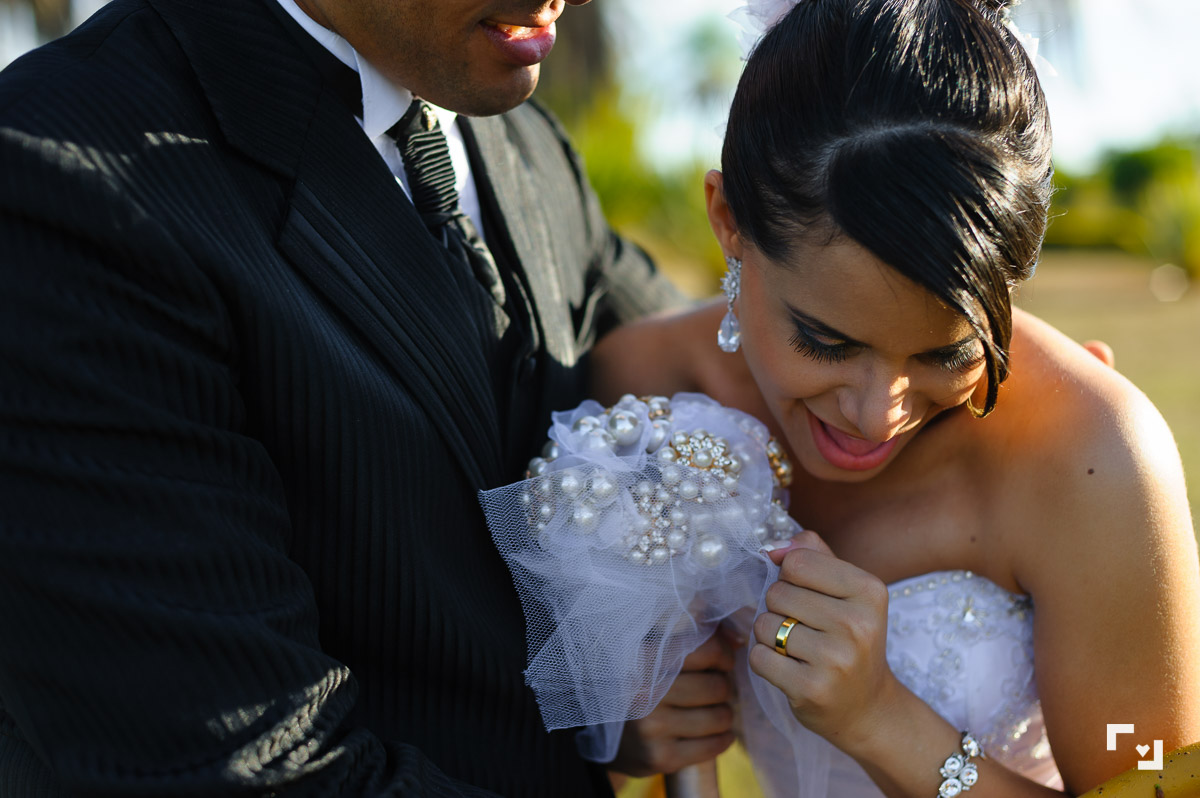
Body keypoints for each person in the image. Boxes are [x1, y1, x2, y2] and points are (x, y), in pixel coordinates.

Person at [0, 0, 717, 793]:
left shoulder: (521, 137)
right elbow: (239, 765)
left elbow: (699, 365)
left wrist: (606, 680)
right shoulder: (59, 178)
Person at [591, 0, 1200, 794]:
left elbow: (1152, 779)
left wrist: (882, 720)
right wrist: (625, 735)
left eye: (949, 352)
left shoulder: (1094, 461)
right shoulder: (642, 394)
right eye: (827, 342)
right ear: (728, 220)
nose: (878, 414)